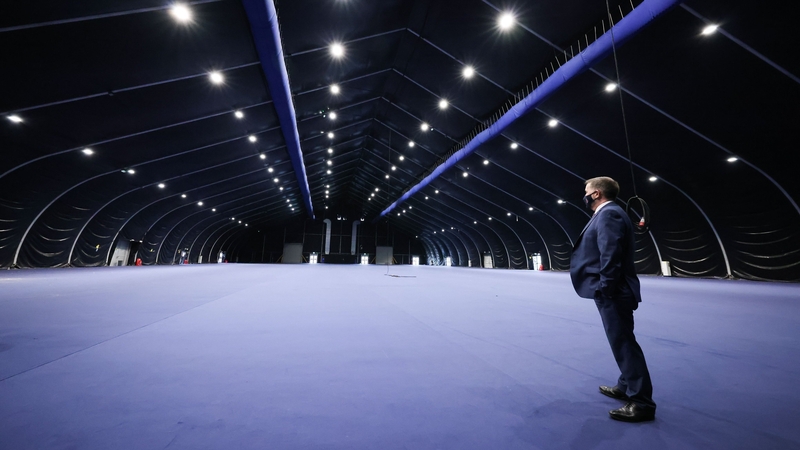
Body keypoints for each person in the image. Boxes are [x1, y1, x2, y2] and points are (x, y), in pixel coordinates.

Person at [570, 176, 656, 422]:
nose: (584, 195)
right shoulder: (609, 213)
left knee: (624, 344)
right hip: (614, 291)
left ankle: (641, 402)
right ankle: (626, 385)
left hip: (614, 292)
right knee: (621, 339)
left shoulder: (609, 214)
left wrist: (605, 288)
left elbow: (611, 254)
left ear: (596, 193)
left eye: (587, 191)